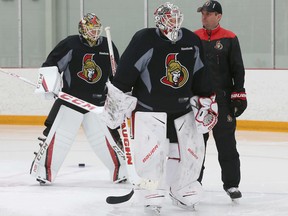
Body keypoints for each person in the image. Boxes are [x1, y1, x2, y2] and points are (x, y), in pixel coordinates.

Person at [103, 2, 218, 214]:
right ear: (159, 19)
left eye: (176, 17)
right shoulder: (145, 39)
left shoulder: (191, 40)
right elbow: (127, 71)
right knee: (151, 152)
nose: (173, 22)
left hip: (182, 111)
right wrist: (117, 99)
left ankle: (182, 187)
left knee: (188, 152)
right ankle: (151, 189)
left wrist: (206, 100)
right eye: (169, 17)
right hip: (150, 111)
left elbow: (201, 73)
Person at [30, 13, 127, 185]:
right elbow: (51, 64)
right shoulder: (70, 44)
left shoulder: (108, 45)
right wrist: (48, 85)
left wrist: (120, 93)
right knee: (57, 137)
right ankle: (45, 171)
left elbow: (116, 73)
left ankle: (121, 170)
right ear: (83, 29)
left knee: (108, 139)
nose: (95, 32)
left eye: (97, 29)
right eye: (91, 29)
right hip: (71, 101)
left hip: (99, 103)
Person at [194, 1, 247, 200]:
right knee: (196, 145)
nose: (204, 17)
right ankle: (193, 181)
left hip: (222, 101)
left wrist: (238, 95)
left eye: (208, 14)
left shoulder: (230, 38)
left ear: (219, 16)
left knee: (227, 145)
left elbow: (238, 70)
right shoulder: (193, 37)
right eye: (203, 14)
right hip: (198, 102)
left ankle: (232, 185)